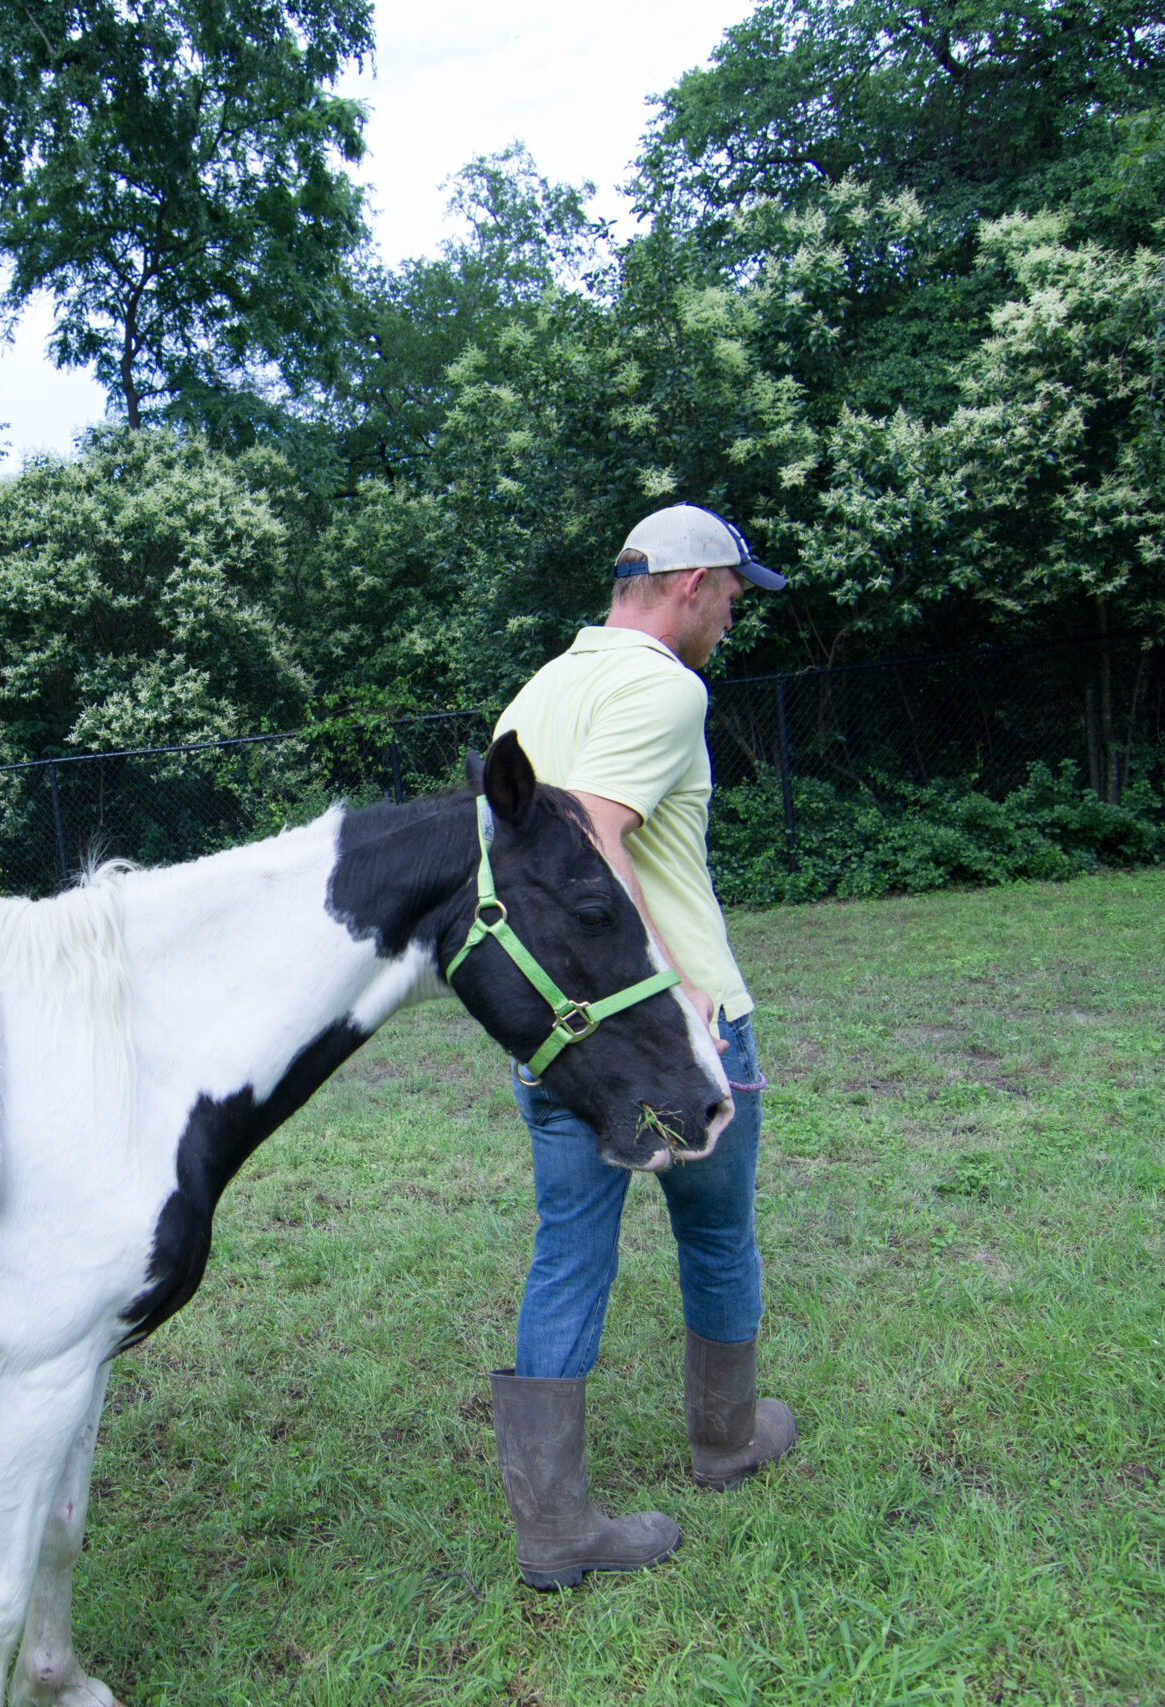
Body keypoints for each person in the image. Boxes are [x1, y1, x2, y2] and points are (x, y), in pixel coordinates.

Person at [483, 502, 798, 1589]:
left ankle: (555, 1527)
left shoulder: (535, 692)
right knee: (714, 1237)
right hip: (676, 1035)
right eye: (732, 596)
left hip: (556, 1041)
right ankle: (725, 1440)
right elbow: (594, 839)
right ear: (691, 583)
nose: (731, 618)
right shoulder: (667, 685)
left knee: (567, 1248)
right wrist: (678, 1014)